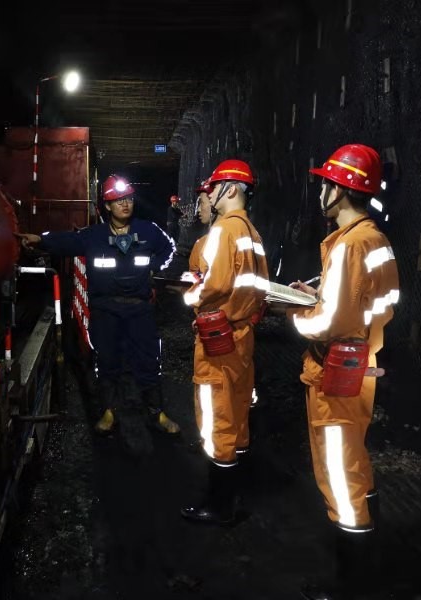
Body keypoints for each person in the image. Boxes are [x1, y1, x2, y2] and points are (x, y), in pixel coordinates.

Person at [287, 144, 400, 599]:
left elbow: (332, 322)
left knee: (338, 469)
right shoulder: (375, 239)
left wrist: (297, 314)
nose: (321, 192)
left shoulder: (350, 245)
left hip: (335, 371)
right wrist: (317, 296)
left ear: (340, 190)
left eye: (325, 184)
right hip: (362, 363)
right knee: (354, 460)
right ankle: (371, 561)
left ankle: (352, 585)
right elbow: (370, 304)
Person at [17, 174, 181, 435]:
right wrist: (40, 239)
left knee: (148, 360)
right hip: (105, 310)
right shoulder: (93, 236)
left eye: (128, 199)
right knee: (107, 360)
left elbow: (169, 248)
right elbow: (66, 241)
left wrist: (154, 267)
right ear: (107, 206)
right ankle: (109, 412)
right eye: (118, 200)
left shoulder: (148, 230)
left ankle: (157, 412)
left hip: (139, 308)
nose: (125, 204)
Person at [179, 159, 269, 525]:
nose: (211, 194)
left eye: (214, 187)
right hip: (242, 337)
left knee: (216, 418)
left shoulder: (224, 230)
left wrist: (190, 298)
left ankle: (218, 507)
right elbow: (259, 289)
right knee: (236, 414)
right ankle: (236, 497)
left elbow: (211, 286)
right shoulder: (253, 234)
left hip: (218, 339)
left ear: (229, 189)